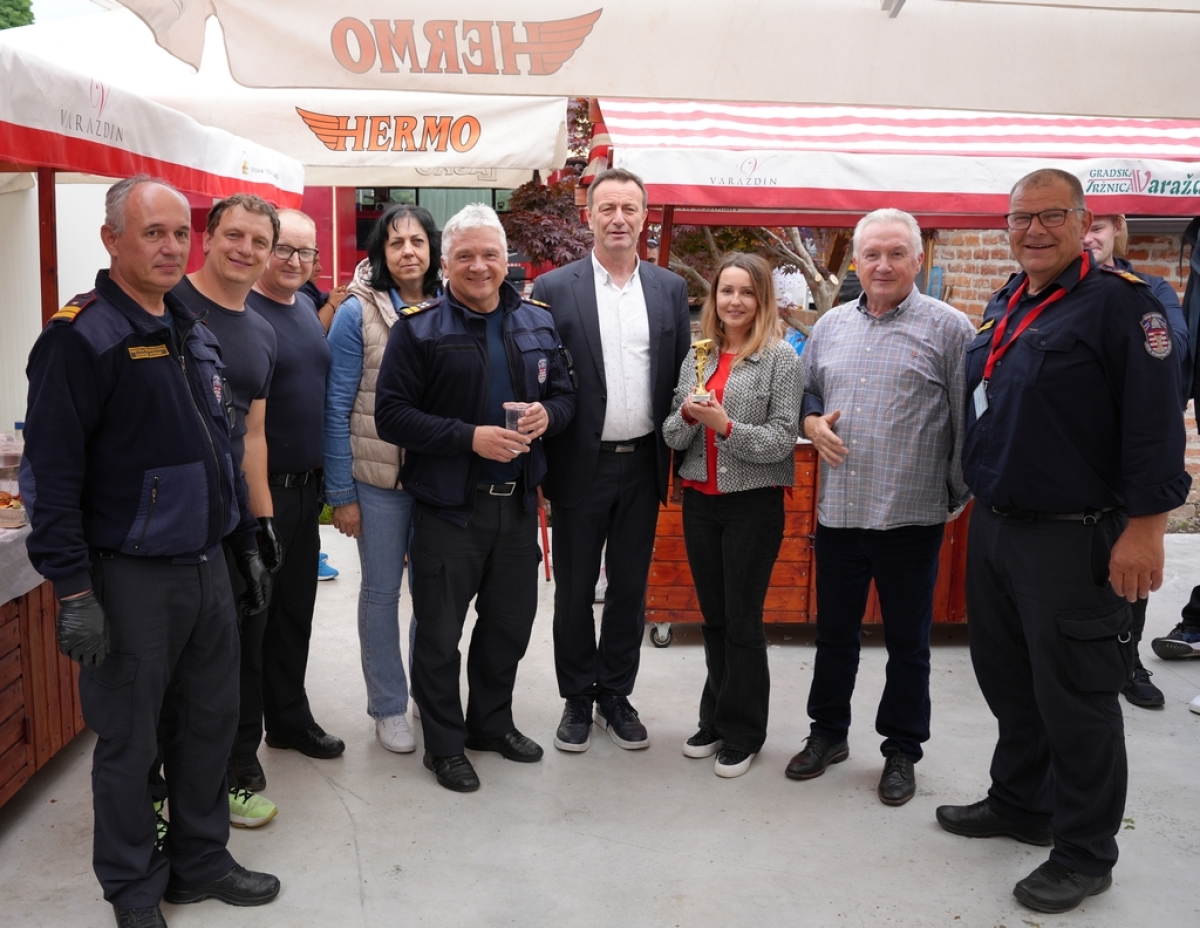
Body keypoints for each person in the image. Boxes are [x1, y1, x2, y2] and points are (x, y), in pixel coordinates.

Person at [20, 175, 278, 928]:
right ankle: (133, 890)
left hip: (206, 568)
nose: (171, 247)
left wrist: (243, 540)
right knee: (131, 743)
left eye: (179, 234)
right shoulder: (81, 337)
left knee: (208, 724)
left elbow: (221, 449)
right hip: (128, 578)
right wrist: (73, 591)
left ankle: (200, 861)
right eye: (152, 233)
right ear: (111, 240)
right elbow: (50, 477)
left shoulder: (191, 328)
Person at [937, 169, 1189, 914]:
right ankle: (1022, 802)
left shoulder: (1124, 307)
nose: (1034, 230)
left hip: (1074, 539)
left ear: (1084, 222)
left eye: (1051, 216)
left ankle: (1084, 852)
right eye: (1021, 218)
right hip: (998, 527)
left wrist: (1146, 531)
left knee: (1078, 699)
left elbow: (1155, 428)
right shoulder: (1010, 300)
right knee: (1009, 681)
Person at [374, 203, 575, 791]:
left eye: (490, 254)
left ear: (507, 260)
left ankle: (491, 724)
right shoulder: (417, 330)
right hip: (449, 509)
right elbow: (392, 417)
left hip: (517, 506)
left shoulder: (537, 322)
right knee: (439, 635)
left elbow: (567, 396)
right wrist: (470, 437)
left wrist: (549, 416)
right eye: (466, 255)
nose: (479, 266)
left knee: (507, 627)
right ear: (445, 263)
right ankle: (444, 744)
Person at [786, 208, 974, 807]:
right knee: (834, 636)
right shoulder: (830, 327)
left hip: (911, 517)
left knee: (908, 644)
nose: (883, 265)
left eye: (896, 254)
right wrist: (811, 421)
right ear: (857, 261)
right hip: (840, 513)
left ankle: (901, 749)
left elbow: (968, 423)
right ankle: (828, 734)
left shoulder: (951, 329)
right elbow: (807, 392)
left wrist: (952, 496)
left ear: (918, 259)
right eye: (872, 254)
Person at [531, 168, 690, 752]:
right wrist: (537, 465)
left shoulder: (670, 289)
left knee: (629, 587)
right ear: (589, 217)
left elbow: (680, 376)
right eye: (607, 208)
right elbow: (539, 379)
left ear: (644, 217)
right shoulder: (554, 287)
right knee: (574, 588)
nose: (618, 218)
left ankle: (616, 694)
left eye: (629, 208)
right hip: (580, 463)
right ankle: (577, 695)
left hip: (644, 463)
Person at [661, 254, 802, 778]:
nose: (734, 301)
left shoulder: (780, 358)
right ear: (713, 298)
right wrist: (687, 414)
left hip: (752, 505)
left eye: (746, 292)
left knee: (743, 622)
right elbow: (672, 436)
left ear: (761, 299)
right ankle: (715, 719)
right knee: (714, 619)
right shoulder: (699, 355)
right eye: (726, 291)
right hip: (701, 503)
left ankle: (744, 732)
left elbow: (782, 441)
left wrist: (725, 426)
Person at [172, 194, 281, 827]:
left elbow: (253, 436)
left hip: (230, 520)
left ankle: (233, 775)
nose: (246, 249)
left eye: (258, 242)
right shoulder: (167, 305)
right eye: (234, 235)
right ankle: (161, 792)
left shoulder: (262, 332)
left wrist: (261, 524)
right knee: (170, 672)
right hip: (166, 527)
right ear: (208, 238)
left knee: (235, 658)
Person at [324, 204, 441, 755]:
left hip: (438, 479)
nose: (408, 252)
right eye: (396, 243)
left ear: (432, 249)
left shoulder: (451, 303)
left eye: (417, 241)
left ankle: (426, 691)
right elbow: (336, 406)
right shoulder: (357, 312)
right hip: (377, 482)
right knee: (380, 593)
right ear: (381, 253)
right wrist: (341, 494)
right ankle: (389, 706)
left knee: (433, 595)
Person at [246, 211, 343, 761]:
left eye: (306, 252)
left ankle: (288, 720)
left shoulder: (305, 306)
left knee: (294, 614)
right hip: (261, 493)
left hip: (307, 491)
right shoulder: (241, 311)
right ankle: (239, 749)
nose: (295, 261)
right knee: (253, 619)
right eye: (284, 248)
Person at [1082, 214, 1189, 708]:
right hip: (1070, 464)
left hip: (1126, 467)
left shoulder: (1150, 290)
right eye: (1083, 226)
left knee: (1129, 576)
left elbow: (1173, 352)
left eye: (1100, 227)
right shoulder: (1042, 292)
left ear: (1118, 232)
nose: (1090, 236)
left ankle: (1128, 663)